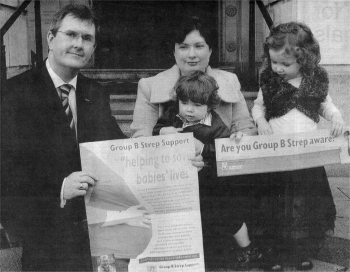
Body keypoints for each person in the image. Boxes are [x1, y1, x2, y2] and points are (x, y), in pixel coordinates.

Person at [130, 15, 263, 270]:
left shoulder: (228, 81)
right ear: (174, 50)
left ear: (211, 50)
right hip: (169, 180)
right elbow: (139, 137)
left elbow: (245, 128)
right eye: (184, 47)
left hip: (219, 177)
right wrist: (164, 139)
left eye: (199, 46)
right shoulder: (150, 86)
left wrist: (233, 143)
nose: (192, 55)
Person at [0, 4, 127, 271]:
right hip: (47, 240)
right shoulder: (13, 94)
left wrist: (170, 146)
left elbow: (120, 149)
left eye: (87, 38)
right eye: (71, 35)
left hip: (98, 238)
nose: (79, 44)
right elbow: (7, 174)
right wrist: (60, 189)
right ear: (50, 38)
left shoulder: (95, 93)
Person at [252, 21, 344, 271]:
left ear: (304, 59)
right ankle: (274, 253)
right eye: (274, 62)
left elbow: (326, 105)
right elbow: (258, 106)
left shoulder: (315, 80)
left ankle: (300, 250)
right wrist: (260, 121)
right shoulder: (269, 80)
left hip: (306, 159)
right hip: (276, 157)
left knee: (304, 207)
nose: (278, 68)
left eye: (286, 64)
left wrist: (336, 117)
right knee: (274, 206)